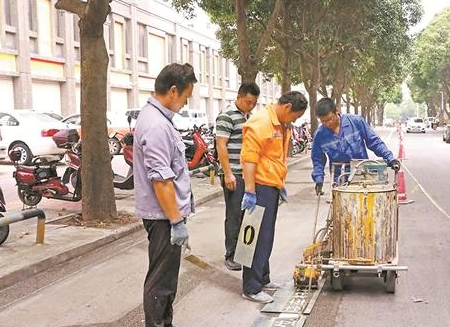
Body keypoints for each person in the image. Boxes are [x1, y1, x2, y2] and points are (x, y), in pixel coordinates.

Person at [133, 63, 197, 327]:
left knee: (167, 280)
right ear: (172, 91)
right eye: (185, 97)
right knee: (161, 282)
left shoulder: (158, 119)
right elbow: (161, 181)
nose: (184, 103)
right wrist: (176, 221)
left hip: (165, 216)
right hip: (163, 218)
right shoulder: (157, 126)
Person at [240, 91, 308, 303]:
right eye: (295, 116)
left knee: (266, 236)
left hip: (271, 186)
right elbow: (249, 159)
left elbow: (275, 157)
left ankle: (263, 278)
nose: (294, 121)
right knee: (255, 238)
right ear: (287, 107)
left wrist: (280, 183)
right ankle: (251, 287)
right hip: (258, 188)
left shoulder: (279, 124)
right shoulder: (261, 123)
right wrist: (250, 190)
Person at [311, 97, 401, 196]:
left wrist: (390, 159)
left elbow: (374, 142)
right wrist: (318, 180)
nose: (327, 123)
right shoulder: (320, 134)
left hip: (362, 176)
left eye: (329, 119)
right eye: (323, 121)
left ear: (336, 111)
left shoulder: (356, 122)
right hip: (339, 181)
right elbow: (318, 159)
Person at [215, 82, 261, 271]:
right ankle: (231, 254)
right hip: (233, 174)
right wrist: (228, 174)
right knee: (234, 215)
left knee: (247, 215)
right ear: (240, 97)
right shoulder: (227, 116)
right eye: (248, 102)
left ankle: (243, 253)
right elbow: (221, 145)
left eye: (254, 103)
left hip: (247, 174)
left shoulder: (248, 117)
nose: (251, 106)